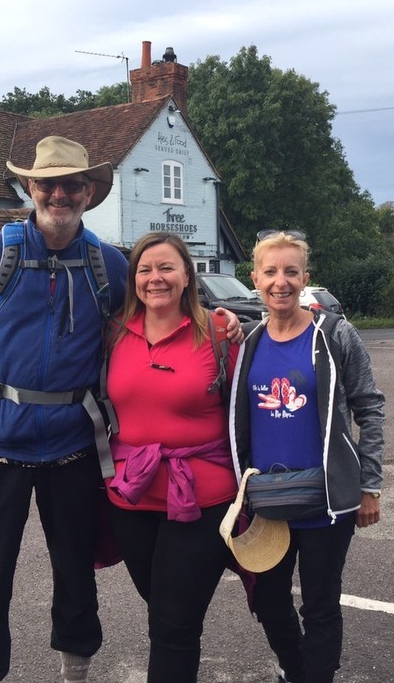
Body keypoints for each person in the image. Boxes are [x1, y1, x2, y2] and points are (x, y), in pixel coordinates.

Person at [0, 136, 129, 683]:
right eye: (47, 184)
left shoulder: (108, 265)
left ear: (89, 192)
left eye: (72, 184)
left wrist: (219, 322)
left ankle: (75, 674)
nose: (59, 194)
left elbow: (158, 324)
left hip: (75, 448)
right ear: (29, 188)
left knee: (77, 577)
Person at [228, 230, 385, 683]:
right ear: (255, 278)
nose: (281, 282)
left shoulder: (335, 335)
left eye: (291, 272)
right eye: (271, 272)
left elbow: (369, 407)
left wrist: (369, 485)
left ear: (305, 278)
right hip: (269, 504)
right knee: (270, 601)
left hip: (326, 502)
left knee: (319, 604)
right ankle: (296, 669)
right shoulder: (248, 344)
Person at [103, 232, 240, 682]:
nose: (155, 278)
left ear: (187, 275)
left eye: (166, 268)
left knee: (175, 623)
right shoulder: (113, 331)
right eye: (145, 269)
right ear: (133, 278)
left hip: (203, 502)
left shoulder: (219, 332)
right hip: (131, 498)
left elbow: (252, 408)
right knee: (162, 611)